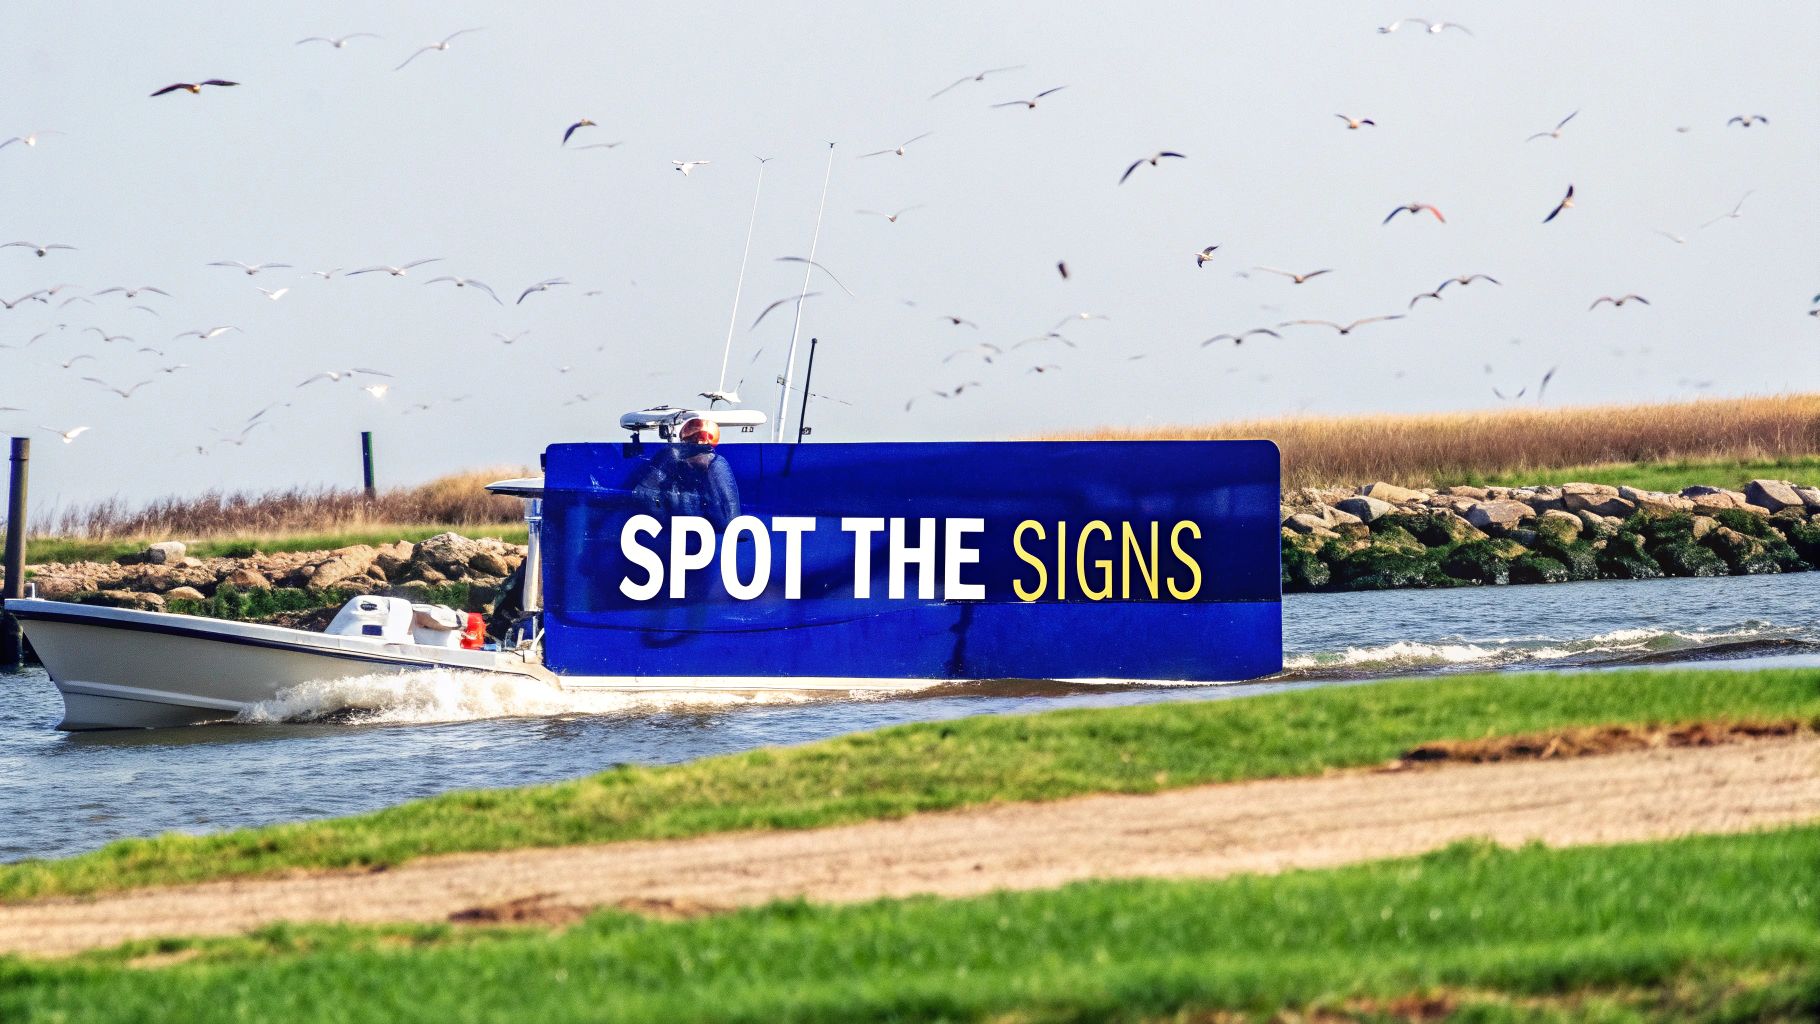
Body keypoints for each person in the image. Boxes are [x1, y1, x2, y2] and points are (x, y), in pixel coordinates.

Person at [630, 415, 741, 529]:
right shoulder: (669, 458)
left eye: (702, 437)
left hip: (705, 533)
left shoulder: (716, 464)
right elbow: (644, 494)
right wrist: (665, 524)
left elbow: (729, 511)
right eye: (693, 437)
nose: (698, 441)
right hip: (673, 531)